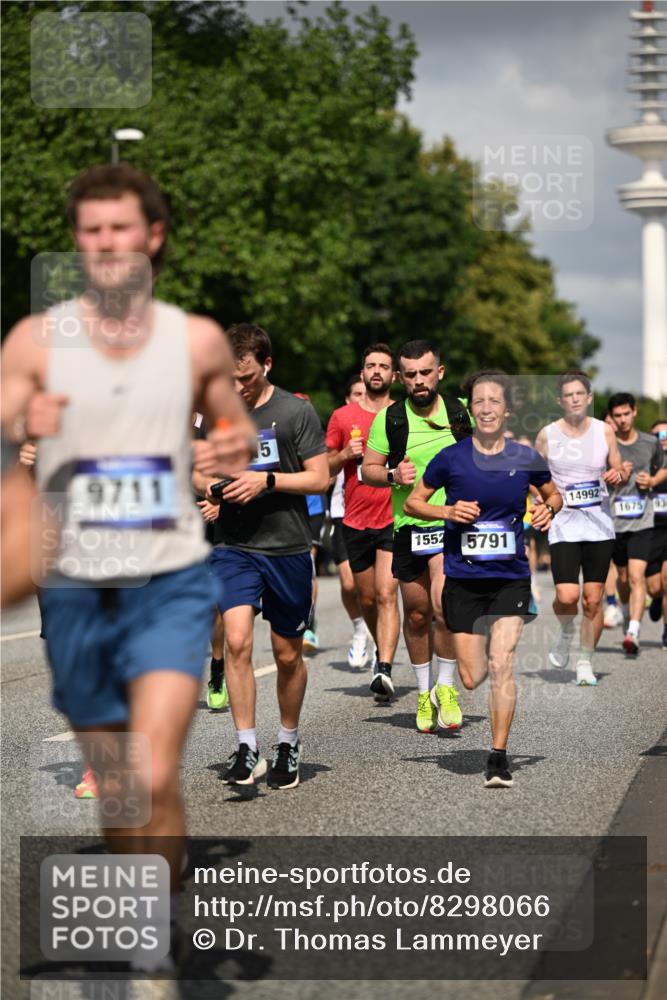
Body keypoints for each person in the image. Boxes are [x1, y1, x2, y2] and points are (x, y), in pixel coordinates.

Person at [0, 162, 252, 969]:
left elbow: (232, 424)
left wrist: (227, 445)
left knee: (150, 759)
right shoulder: (35, 343)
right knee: (117, 780)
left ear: (153, 236)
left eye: (120, 228)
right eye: (90, 231)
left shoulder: (197, 338)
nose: (106, 243)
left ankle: (150, 944)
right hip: (75, 583)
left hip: (169, 578)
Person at [405, 369, 562, 787]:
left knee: (501, 663)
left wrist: (550, 509)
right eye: (479, 402)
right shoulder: (451, 459)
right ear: (470, 411)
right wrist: (448, 512)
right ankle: (477, 648)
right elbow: (415, 503)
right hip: (463, 578)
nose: (487, 408)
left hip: (510, 577)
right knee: (473, 678)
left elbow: (553, 495)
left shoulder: (525, 458)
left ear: (506, 410)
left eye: (494, 401)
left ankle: (498, 757)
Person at [197, 324, 329, 789]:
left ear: (266, 365)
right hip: (233, 546)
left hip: (288, 547)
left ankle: (288, 742)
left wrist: (267, 482)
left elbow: (319, 479)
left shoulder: (295, 412)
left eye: (246, 378)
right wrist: (215, 487)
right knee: (235, 641)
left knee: (288, 654)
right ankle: (247, 746)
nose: (237, 388)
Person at [363, 340, 471, 730]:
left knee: (444, 607)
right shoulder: (390, 419)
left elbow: (485, 456)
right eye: (410, 375)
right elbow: (367, 469)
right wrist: (393, 475)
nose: (419, 381)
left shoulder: (460, 413)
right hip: (408, 527)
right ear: (400, 377)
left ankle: (446, 687)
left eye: (426, 372)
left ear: (439, 372)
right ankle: (424, 694)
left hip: (451, 524)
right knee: (417, 614)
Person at [535, 372, 625, 685]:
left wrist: (618, 474)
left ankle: (585, 662)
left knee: (593, 599)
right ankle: (566, 629)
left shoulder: (604, 431)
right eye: (568, 395)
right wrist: (539, 504)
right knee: (566, 595)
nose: (574, 399)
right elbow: (534, 476)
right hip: (564, 524)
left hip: (599, 525)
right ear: (560, 401)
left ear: (588, 398)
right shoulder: (547, 434)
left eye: (579, 394)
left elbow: (618, 466)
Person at [326, 344, 400, 700]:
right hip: (355, 519)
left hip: (394, 516)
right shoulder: (342, 417)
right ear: (362, 373)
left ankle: (384, 666)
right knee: (366, 599)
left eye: (383, 366)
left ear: (393, 376)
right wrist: (343, 455)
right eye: (370, 365)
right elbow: (322, 468)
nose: (376, 371)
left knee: (387, 594)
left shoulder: (403, 415)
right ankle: (377, 649)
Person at [607, 392, 665, 655]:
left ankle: (633, 631)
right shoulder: (606, 443)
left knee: (636, 576)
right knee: (622, 578)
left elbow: (663, 466)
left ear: (634, 412)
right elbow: (594, 475)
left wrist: (651, 482)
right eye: (617, 416)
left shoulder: (649, 442)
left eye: (626, 414)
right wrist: (613, 475)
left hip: (643, 521)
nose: (622, 420)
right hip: (615, 523)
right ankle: (628, 610)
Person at [328, 375, 372, 668]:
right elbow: (323, 471)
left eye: (364, 394)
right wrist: (344, 454)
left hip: (376, 513)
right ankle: (360, 629)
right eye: (355, 393)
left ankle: (382, 645)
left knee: (377, 591)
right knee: (347, 583)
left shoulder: (381, 424)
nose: (360, 398)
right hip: (342, 512)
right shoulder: (341, 424)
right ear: (347, 398)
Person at [645, 419, 667, 648]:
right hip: (651, 530)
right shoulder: (646, 463)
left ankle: (666, 631)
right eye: (657, 435)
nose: (662, 439)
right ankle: (657, 598)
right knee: (655, 587)